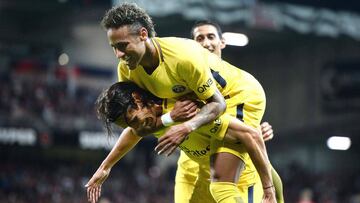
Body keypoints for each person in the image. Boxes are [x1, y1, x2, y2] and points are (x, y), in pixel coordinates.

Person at [96, 3, 275, 202]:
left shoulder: (182, 58)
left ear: (143, 34)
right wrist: (105, 167)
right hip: (198, 111)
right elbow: (138, 125)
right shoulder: (128, 70)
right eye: (114, 48)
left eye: (122, 46)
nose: (119, 55)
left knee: (222, 186)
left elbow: (218, 104)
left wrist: (186, 126)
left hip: (236, 96)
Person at [86, 82, 271, 203]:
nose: (137, 128)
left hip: (240, 178)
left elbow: (248, 134)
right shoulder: (147, 121)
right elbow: (133, 133)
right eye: (130, 125)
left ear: (137, 100)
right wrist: (105, 167)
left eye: (133, 121)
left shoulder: (188, 111)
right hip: (203, 176)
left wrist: (268, 187)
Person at [173, 20, 284, 203]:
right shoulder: (185, 80)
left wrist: (254, 130)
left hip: (234, 173)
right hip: (192, 171)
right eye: (199, 38)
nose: (206, 43)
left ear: (222, 42)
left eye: (211, 36)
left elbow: (245, 128)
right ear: (192, 45)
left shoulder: (237, 83)